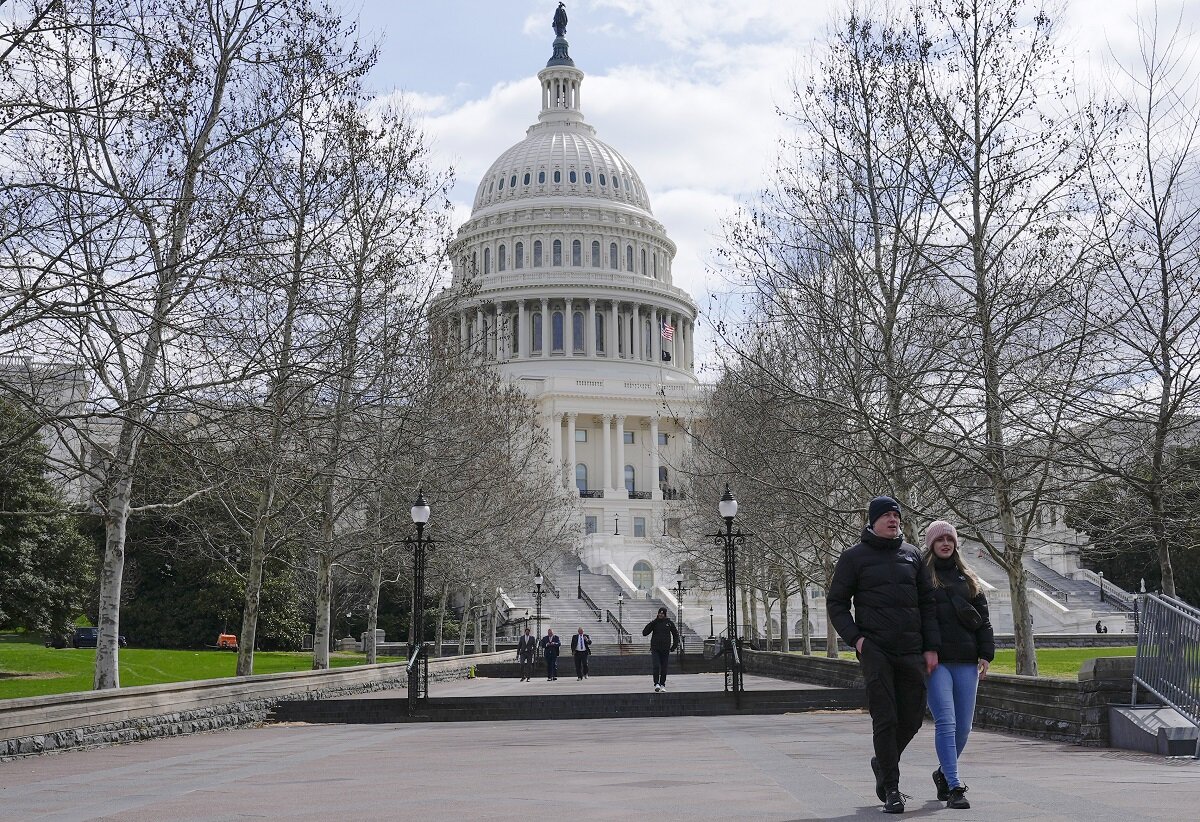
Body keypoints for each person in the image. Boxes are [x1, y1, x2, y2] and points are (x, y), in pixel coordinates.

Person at [827, 495, 940, 814]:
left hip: (911, 650)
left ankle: (882, 761)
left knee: (913, 718)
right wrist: (857, 640)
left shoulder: (913, 555)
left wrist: (931, 647)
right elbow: (836, 603)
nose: (894, 520)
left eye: (898, 516)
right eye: (888, 515)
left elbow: (927, 604)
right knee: (885, 718)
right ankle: (892, 788)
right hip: (876, 650)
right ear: (873, 520)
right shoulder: (853, 557)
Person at [923, 520, 994, 811]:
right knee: (946, 722)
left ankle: (942, 771)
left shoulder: (969, 578)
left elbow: (984, 621)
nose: (945, 543)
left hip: (966, 661)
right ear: (931, 544)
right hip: (937, 662)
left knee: (964, 727)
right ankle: (954, 785)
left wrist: (986, 654)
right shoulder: (923, 578)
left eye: (949, 539)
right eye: (940, 539)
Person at [641, 606, 680, 692]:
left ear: (665, 614)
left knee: (664, 667)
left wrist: (674, 646)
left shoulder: (669, 623)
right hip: (655, 648)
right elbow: (644, 633)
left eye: (663, 613)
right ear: (658, 614)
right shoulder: (654, 623)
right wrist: (653, 622)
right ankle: (656, 683)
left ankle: (662, 684)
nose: (661, 615)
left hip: (665, 649)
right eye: (660, 613)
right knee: (656, 666)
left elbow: (675, 635)